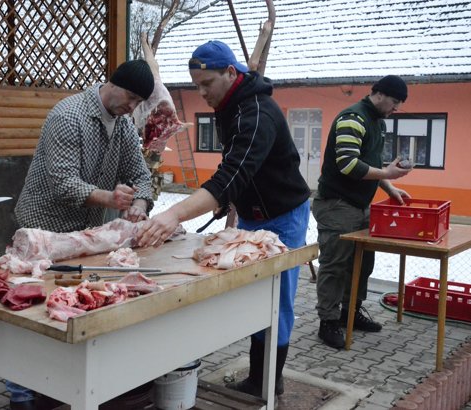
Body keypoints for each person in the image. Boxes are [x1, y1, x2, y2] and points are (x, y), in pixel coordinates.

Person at [137, 40, 311, 399]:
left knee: (276, 299)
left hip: (283, 215)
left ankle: (268, 382)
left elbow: (232, 173)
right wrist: (231, 203)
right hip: (251, 213)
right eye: (196, 85)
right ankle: (256, 375)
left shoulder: (257, 112)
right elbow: (237, 171)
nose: (202, 94)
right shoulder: (230, 105)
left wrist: (174, 214)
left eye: (207, 84)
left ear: (231, 73)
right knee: (251, 295)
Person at [10, 59, 155, 409]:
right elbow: (62, 181)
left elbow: (141, 173)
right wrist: (110, 197)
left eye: (138, 103)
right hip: (42, 228)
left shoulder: (121, 124)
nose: (131, 107)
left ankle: (60, 383)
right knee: (30, 312)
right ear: (114, 83)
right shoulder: (68, 115)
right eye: (131, 97)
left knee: (68, 310)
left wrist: (140, 202)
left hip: (83, 233)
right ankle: (22, 393)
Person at [314, 75, 412, 349]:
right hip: (337, 204)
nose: (395, 109)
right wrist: (387, 172)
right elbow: (348, 164)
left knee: (363, 262)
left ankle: (350, 313)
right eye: (394, 103)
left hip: (360, 205)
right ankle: (328, 322)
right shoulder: (353, 118)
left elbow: (371, 162)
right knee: (335, 264)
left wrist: (389, 187)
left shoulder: (377, 122)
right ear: (378, 94)